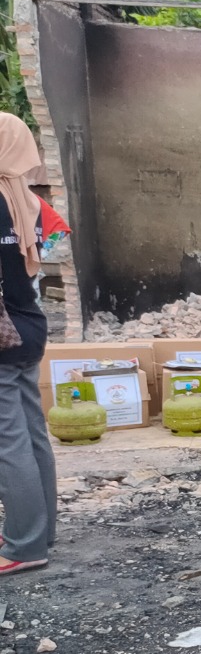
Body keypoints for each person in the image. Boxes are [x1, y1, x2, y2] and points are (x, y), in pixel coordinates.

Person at [0, 113, 55, 577]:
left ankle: (24, 544)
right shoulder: (30, 202)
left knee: (8, 441)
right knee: (32, 432)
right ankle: (40, 530)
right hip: (30, 325)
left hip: (2, 332)